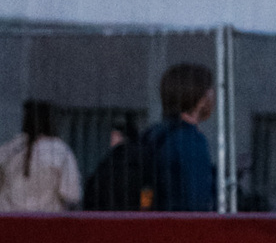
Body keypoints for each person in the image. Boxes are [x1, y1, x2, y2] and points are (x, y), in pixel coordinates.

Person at [145, 63, 218, 213]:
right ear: (201, 99)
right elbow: (197, 202)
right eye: (210, 90)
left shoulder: (155, 134)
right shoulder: (191, 141)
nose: (214, 97)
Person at [0, 101, 80, 212]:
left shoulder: (9, 149)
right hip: (45, 219)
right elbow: (72, 194)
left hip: (8, 218)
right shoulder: (60, 150)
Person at [85, 114, 149, 211]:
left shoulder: (110, 162)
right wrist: (144, 211)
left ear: (118, 136)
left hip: (111, 215)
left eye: (113, 136)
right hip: (137, 216)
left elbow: (92, 194)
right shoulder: (145, 160)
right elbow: (147, 190)